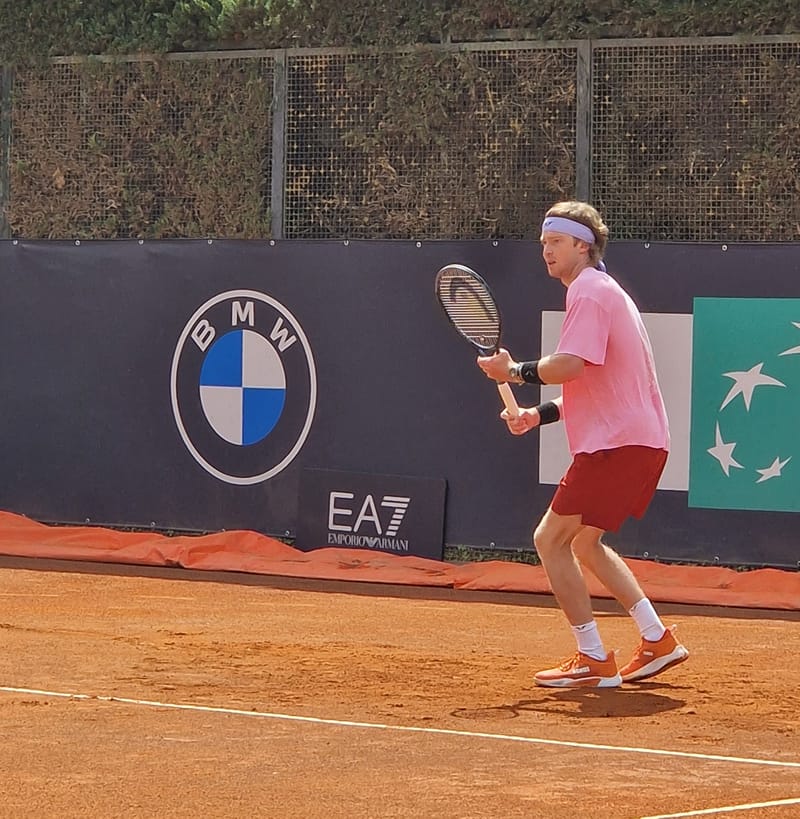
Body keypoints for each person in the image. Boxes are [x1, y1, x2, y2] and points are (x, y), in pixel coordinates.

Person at [477, 200, 688, 688]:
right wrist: (537, 414)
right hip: (641, 442)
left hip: (617, 446)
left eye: (555, 242)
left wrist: (514, 371)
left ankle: (592, 656)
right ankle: (657, 639)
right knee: (587, 543)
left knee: (549, 540)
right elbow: (593, 384)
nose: (546, 251)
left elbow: (570, 366)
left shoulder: (589, 291)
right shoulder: (604, 292)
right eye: (543, 243)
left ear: (582, 245)